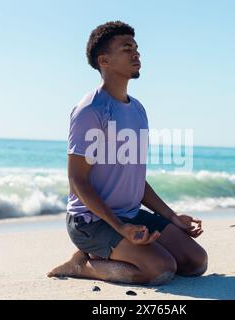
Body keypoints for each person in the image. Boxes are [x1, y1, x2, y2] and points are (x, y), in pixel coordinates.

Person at [47, 21, 207, 285]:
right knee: (160, 270)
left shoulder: (138, 110)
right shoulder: (90, 110)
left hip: (130, 215)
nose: (136, 54)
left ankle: (124, 251)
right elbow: (78, 181)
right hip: (91, 222)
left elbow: (133, 177)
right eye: (126, 48)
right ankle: (84, 264)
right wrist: (119, 227)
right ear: (105, 60)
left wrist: (171, 217)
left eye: (136, 48)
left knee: (195, 262)